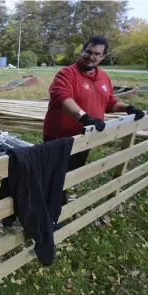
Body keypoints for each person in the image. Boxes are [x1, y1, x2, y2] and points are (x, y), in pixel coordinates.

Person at [43, 36, 145, 205]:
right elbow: (62, 98)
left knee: (70, 173)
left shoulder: (103, 77)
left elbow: (109, 102)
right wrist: (84, 117)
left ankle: (57, 204)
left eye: (97, 54)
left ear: (102, 57)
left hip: (86, 136)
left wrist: (128, 108)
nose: (92, 56)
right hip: (60, 136)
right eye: (88, 52)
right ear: (82, 51)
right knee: (55, 175)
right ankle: (50, 213)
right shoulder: (67, 73)